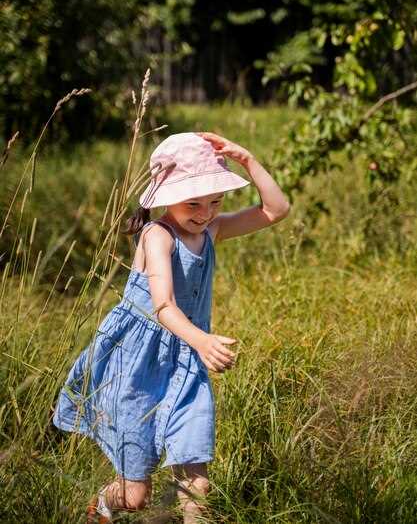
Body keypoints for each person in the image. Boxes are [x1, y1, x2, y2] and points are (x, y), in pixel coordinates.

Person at [53, 131, 290, 523]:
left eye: (216, 201)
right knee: (136, 496)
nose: (206, 212)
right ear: (165, 197)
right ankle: (103, 507)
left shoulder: (210, 231)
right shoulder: (157, 236)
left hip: (186, 363)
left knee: (197, 484)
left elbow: (276, 209)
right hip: (137, 366)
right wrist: (203, 341)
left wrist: (247, 160)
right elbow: (163, 305)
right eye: (192, 202)